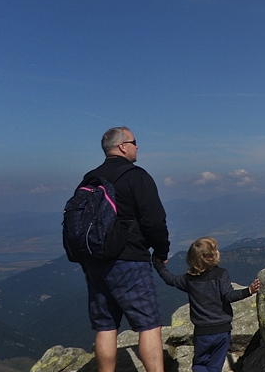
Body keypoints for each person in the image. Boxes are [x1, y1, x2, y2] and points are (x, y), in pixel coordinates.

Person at [81, 127, 170, 372]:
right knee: (148, 325)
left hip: (95, 261)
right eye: (134, 142)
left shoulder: (90, 179)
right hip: (129, 259)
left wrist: (84, 263)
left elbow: (81, 225)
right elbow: (154, 220)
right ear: (122, 146)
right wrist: (161, 251)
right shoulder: (136, 176)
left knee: (105, 326)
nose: (137, 146)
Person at [153, 237, 260, 372]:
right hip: (222, 331)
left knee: (200, 364)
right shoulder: (221, 275)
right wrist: (249, 291)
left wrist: (158, 265)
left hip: (202, 332)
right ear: (212, 257)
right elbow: (229, 296)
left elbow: (170, 279)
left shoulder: (189, 280)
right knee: (215, 366)